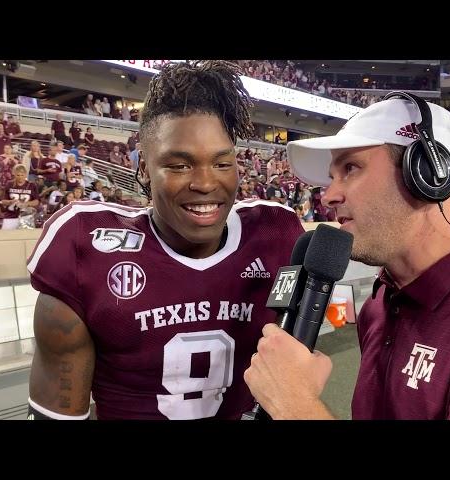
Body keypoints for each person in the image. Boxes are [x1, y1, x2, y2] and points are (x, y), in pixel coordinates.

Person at [244, 92, 450, 420]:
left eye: (350, 168)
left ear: (427, 173)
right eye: (331, 177)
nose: (329, 195)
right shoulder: (380, 305)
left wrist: (297, 405)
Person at [26, 60, 304, 420]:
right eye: (180, 165)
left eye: (222, 163)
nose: (205, 183)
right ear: (144, 168)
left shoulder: (275, 233)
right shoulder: (84, 245)